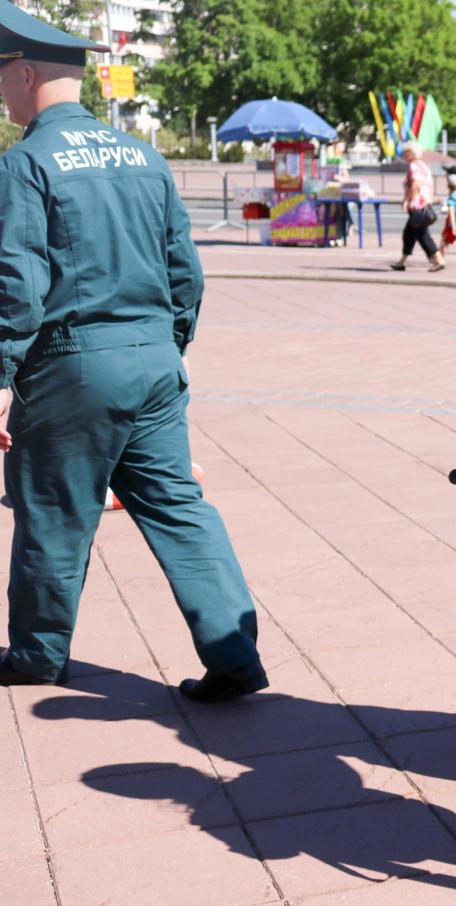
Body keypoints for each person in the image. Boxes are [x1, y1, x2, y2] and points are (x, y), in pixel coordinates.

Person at [0, 2, 268, 700]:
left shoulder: (26, 163)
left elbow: (17, 286)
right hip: (152, 359)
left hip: (72, 365)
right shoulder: (145, 157)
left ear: (25, 74)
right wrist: (165, 342)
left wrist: (1, 374)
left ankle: (35, 654)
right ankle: (235, 653)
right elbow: (187, 272)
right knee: (178, 505)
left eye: (2, 78)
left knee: (54, 510)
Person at [391, 141, 444, 272]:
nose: (403, 155)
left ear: (411, 153)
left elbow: (415, 184)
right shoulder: (424, 166)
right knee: (409, 234)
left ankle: (438, 259)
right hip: (424, 203)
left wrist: (406, 200)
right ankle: (401, 262)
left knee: (422, 234)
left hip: (417, 205)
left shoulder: (414, 165)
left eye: (405, 153)